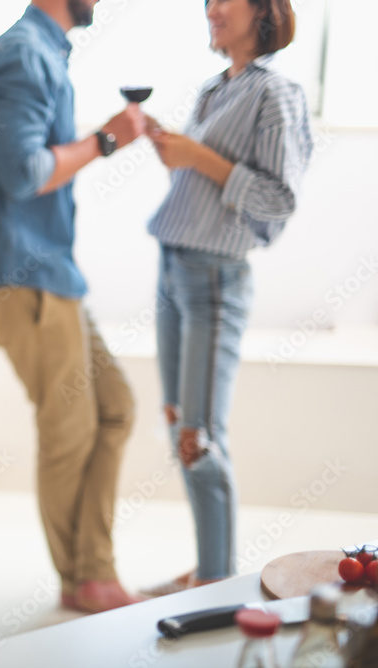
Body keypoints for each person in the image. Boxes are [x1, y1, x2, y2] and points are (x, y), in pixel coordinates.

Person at [0, 0, 146, 613]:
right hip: (19, 275)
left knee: (114, 407)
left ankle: (90, 568)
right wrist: (107, 140)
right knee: (69, 431)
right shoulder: (24, 55)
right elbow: (23, 173)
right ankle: (87, 578)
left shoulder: (40, 51)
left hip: (47, 271)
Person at [143, 0, 313, 595]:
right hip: (174, 268)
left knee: (200, 437)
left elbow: (277, 199)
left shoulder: (277, 94)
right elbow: (209, 185)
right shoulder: (217, 88)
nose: (212, 8)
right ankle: (209, 568)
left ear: (263, 11)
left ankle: (215, 582)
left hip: (214, 278)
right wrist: (178, 159)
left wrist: (198, 158)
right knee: (178, 426)